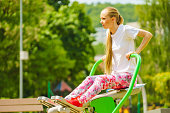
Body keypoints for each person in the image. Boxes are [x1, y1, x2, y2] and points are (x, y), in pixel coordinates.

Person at [64, 7, 152, 107]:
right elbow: (117, 50)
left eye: (103, 19)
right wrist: (109, 56)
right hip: (117, 76)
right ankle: (68, 100)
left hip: (128, 77)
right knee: (89, 79)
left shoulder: (125, 30)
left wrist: (136, 52)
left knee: (100, 80)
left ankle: (80, 102)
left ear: (113, 19)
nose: (101, 21)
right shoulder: (108, 33)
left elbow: (148, 35)